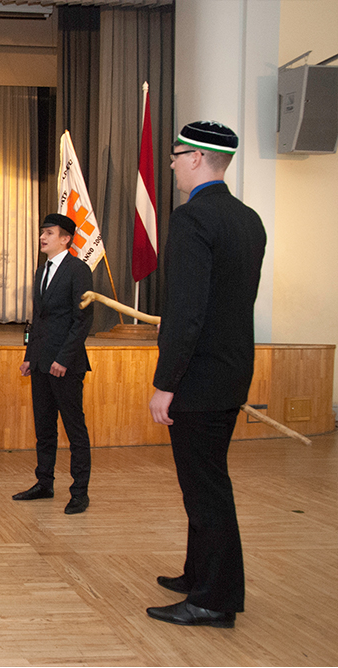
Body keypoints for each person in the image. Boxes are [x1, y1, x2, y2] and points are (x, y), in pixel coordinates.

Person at [146, 121, 266, 629]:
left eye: (176, 155)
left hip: (197, 378)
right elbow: (228, 303)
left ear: (196, 158)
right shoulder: (248, 219)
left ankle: (215, 600)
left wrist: (165, 383)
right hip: (230, 371)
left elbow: (187, 311)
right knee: (203, 481)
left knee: (205, 489)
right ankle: (198, 574)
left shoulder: (193, 218)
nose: (172, 163)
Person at [14, 213, 94, 514]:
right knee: (44, 428)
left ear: (65, 238)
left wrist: (63, 358)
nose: (42, 237)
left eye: (49, 233)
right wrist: (29, 356)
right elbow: (39, 319)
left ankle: (79, 492)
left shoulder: (78, 270)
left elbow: (82, 320)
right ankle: (44, 483)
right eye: (42, 232)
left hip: (66, 364)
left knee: (75, 429)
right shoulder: (41, 270)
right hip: (40, 362)